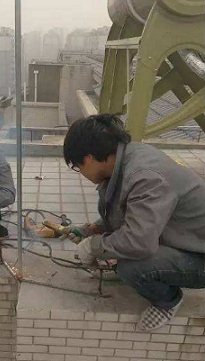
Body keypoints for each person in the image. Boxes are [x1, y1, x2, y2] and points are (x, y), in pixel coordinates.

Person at [61, 114, 205, 332]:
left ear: (89, 158)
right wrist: (93, 229)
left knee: (133, 266)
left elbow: (139, 242)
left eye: (78, 167)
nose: (80, 173)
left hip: (199, 256)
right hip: (188, 240)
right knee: (120, 250)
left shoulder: (145, 176)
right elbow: (130, 214)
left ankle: (168, 301)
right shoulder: (125, 158)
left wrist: (94, 246)